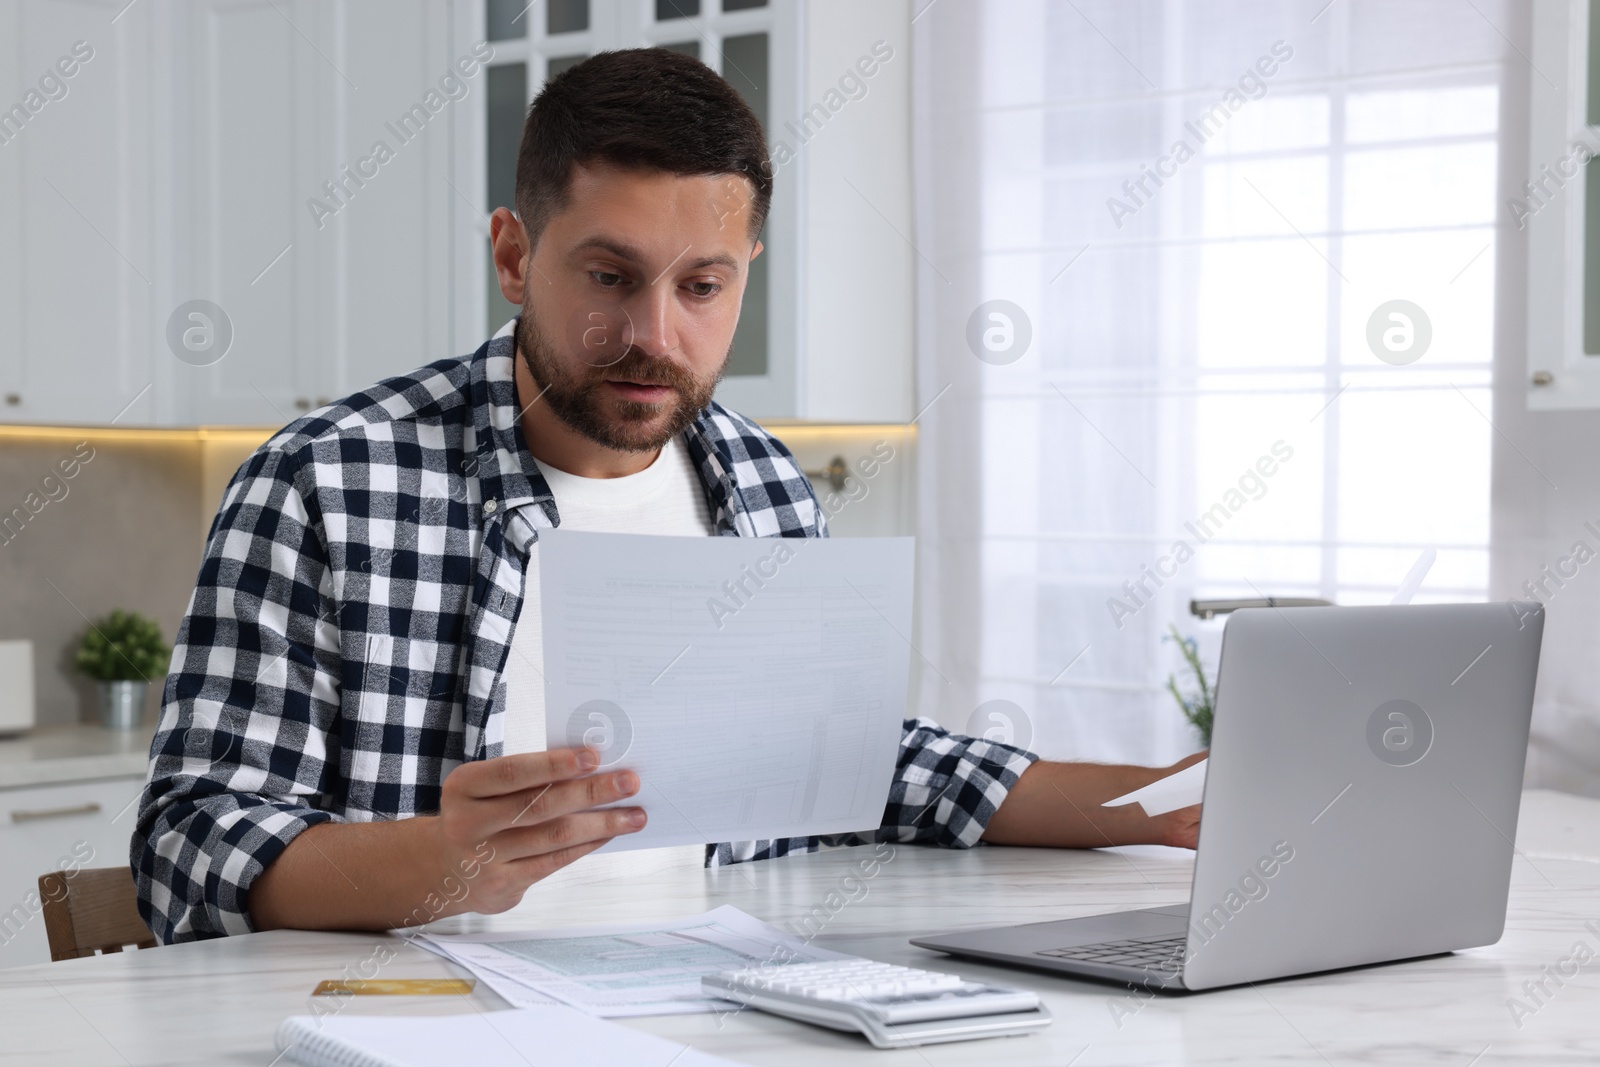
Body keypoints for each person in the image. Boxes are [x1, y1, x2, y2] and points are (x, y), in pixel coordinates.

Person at [131, 48, 1201, 945]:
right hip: (414, 1020)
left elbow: (855, 760)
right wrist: (447, 863)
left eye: (702, 285)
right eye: (608, 276)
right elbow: (185, 847)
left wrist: (1159, 801)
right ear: (513, 254)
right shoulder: (326, 482)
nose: (654, 334)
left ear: (746, 268)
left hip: (711, 1004)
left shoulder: (769, 490)